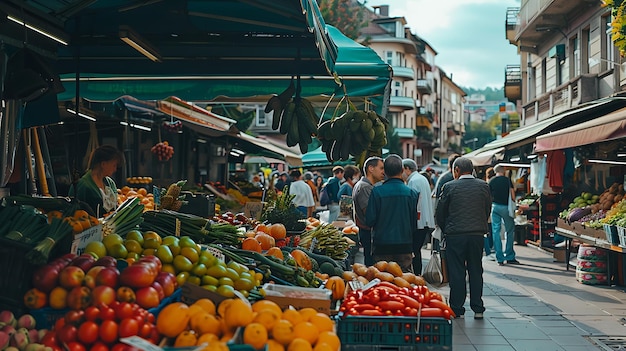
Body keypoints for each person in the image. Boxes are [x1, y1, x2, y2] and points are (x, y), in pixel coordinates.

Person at [435, 157, 491, 319]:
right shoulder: (484, 186)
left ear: (456, 170)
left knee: (457, 271)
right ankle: (478, 307)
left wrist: (446, 229)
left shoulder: (449, 187)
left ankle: (457, 308)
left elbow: (441, 213)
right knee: (475, 269)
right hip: (477, 235)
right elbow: (487, 208)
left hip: (455, 235)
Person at [366, 155, 419, 272]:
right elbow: (414, 223)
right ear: (401, 170)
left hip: (381, 246)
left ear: (385, 172)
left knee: (383, 284)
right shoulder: (411, 193)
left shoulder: (376, 192)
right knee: (404, 284)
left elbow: (370, 220)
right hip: (404, 245)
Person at [69, 145, 124, 218]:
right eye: (114, 165)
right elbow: (73, 211)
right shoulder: (82, 185)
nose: (115, 169)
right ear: (103, 164)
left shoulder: (110, 183)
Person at [402, 159, 435, 275]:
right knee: (417, 250)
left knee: (414, 251)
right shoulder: (421, 179)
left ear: (407, 169)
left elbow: (413, 203)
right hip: (424, 221)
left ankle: (416, 275)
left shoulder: (414, 181)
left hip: (419, 222)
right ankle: (417, 274)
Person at [352, 157, 385, 266]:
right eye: (381, 168)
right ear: (371, 168)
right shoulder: (365, 187)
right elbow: (370, 213)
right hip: (369, 233)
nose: (383, 172)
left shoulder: (363, 185)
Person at [489, 164, 519, 265]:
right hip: (506, 208)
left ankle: (500, 258)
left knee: (496, 231)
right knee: (509, 231)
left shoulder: (491, 181)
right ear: (503, 171)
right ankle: (509, 256)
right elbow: (513, 195)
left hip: (495, 207)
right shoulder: (507, 180)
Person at [483, 167, 496, 261]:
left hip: (485, 211)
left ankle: (488, 250)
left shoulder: (486, 183)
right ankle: (489, 250)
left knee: (486, 232)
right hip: (488, 210)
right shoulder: (488, 184)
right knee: (488, 231)